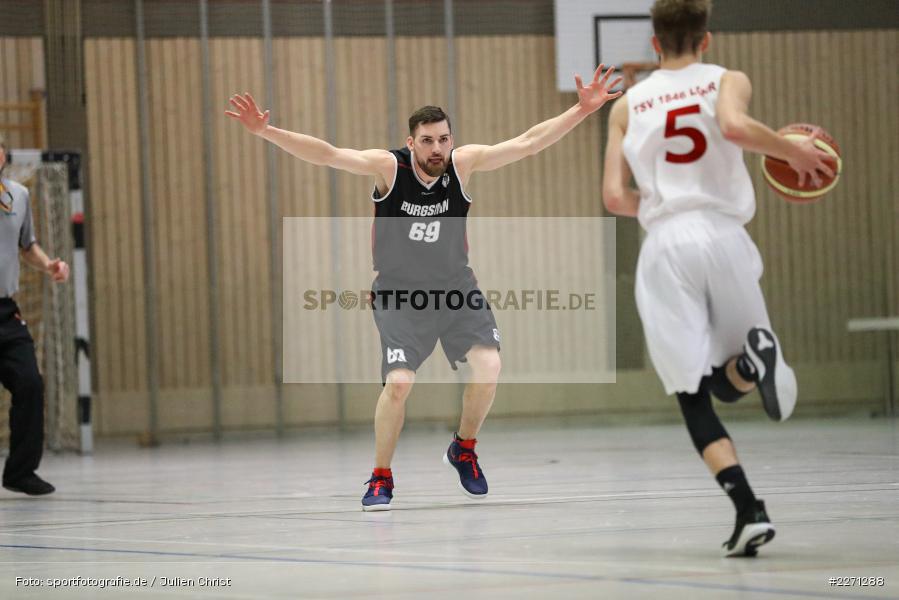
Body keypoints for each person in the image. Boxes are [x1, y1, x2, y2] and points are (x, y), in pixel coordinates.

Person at [226, 65, 622, 511]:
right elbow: (326, 153)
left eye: (444, 139)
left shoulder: (463, 165)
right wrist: (265, 131)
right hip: (400, 295)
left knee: (489, 368)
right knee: (398, 384)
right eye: (428, 140)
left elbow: (529, 143)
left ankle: (464, 448)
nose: (438, 148)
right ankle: (380, 476)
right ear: (411, 142)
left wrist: (582, 109)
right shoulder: (388, 169)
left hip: (456, 290)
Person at [602, 0, 834, 556]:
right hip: (725, 234)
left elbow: (614, 197)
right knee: (729, 382)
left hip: (665, 244)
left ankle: (748, 509)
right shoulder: (728, 78)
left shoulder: (627, 105)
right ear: (706, 40)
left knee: (693, 395)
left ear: (654, 44)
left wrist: (663, 205)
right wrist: (792, 151)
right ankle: (753, 361)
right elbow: (733, 125)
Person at [0, 135, 70, 495]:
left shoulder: (18, 196)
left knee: (29, 383)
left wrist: (50, 265)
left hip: (5, 312)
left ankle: (20, 471)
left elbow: (27, 246)